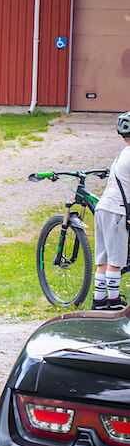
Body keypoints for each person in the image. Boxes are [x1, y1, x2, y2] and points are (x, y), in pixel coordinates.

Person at [91, 111, 130, 310]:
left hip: (103, 208)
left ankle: (99, 300)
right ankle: (113, 302)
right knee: (116, 258)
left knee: (104, 258)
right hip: (117, 210)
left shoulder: (122, 153)